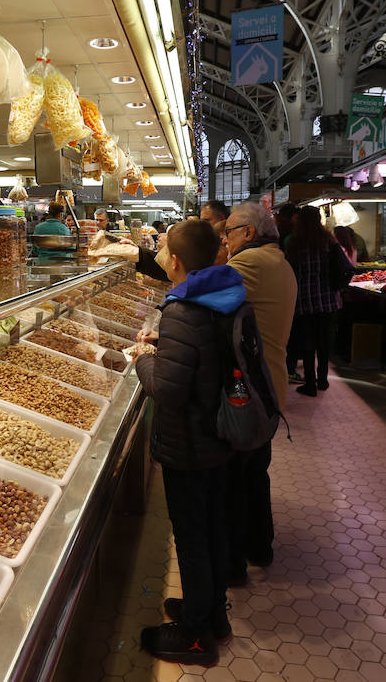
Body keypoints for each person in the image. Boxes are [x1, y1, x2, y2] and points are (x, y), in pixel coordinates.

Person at [134, 220, 244, 667]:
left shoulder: (182, 309)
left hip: (190, 445)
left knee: (193, 538)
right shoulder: (223, 294)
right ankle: (213, 613)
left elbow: (170, 391)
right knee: (214, 529)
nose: (160, 257)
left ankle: (196, 636)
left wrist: (144, 359)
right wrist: (169, 345)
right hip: (219, 437)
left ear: (176, 261)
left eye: (163, 251)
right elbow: (206, 357)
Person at [222, 202, 296, 582]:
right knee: (254, 475)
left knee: (235, 480)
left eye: (229, 232)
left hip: (250, 391)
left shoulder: (251, 263)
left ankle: (233, 564)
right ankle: (259, 545)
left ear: (248, 232)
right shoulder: (275, 259)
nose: (226, 239)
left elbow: (203, 291)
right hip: (268, 385)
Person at [285, 206, 351, 397]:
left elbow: (289, 271)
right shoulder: (329, 241)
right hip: (327, 301)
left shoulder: (295, 243)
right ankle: (323, 380)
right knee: (323, 343)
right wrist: (336, 286)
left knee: (307, 343)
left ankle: (310, 384)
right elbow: (346, 268)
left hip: (303, 301)